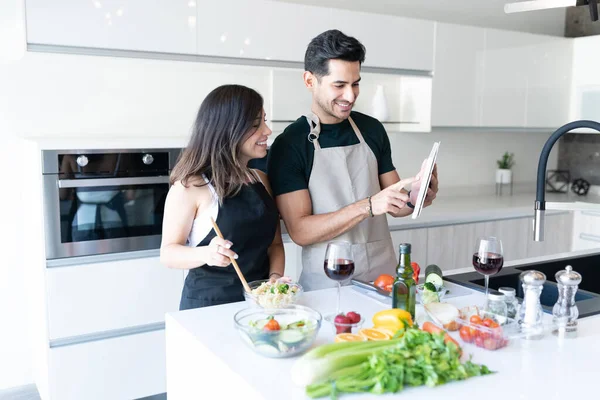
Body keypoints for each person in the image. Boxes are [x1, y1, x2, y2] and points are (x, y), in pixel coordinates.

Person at [267, 30, 439, 291]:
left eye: (355, 83)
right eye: (339, 85)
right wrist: (367, 206)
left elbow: (394, 203)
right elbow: (300, 231)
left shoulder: (371, 130)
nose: (350, 95)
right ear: (310, 80)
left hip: (383, 279)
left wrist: (416, 198)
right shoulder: (290, 144)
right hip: (327, 284)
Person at [160, 84, 285, 310]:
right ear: (229, 129)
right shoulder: (191, 186)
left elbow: (275, 244)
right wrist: (207, 253)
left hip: (258, 305)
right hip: (208, 307)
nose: (267, 131)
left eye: (264, 121)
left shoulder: (260, 179)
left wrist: (275, 280)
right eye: (256, 124)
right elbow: (168, 253)